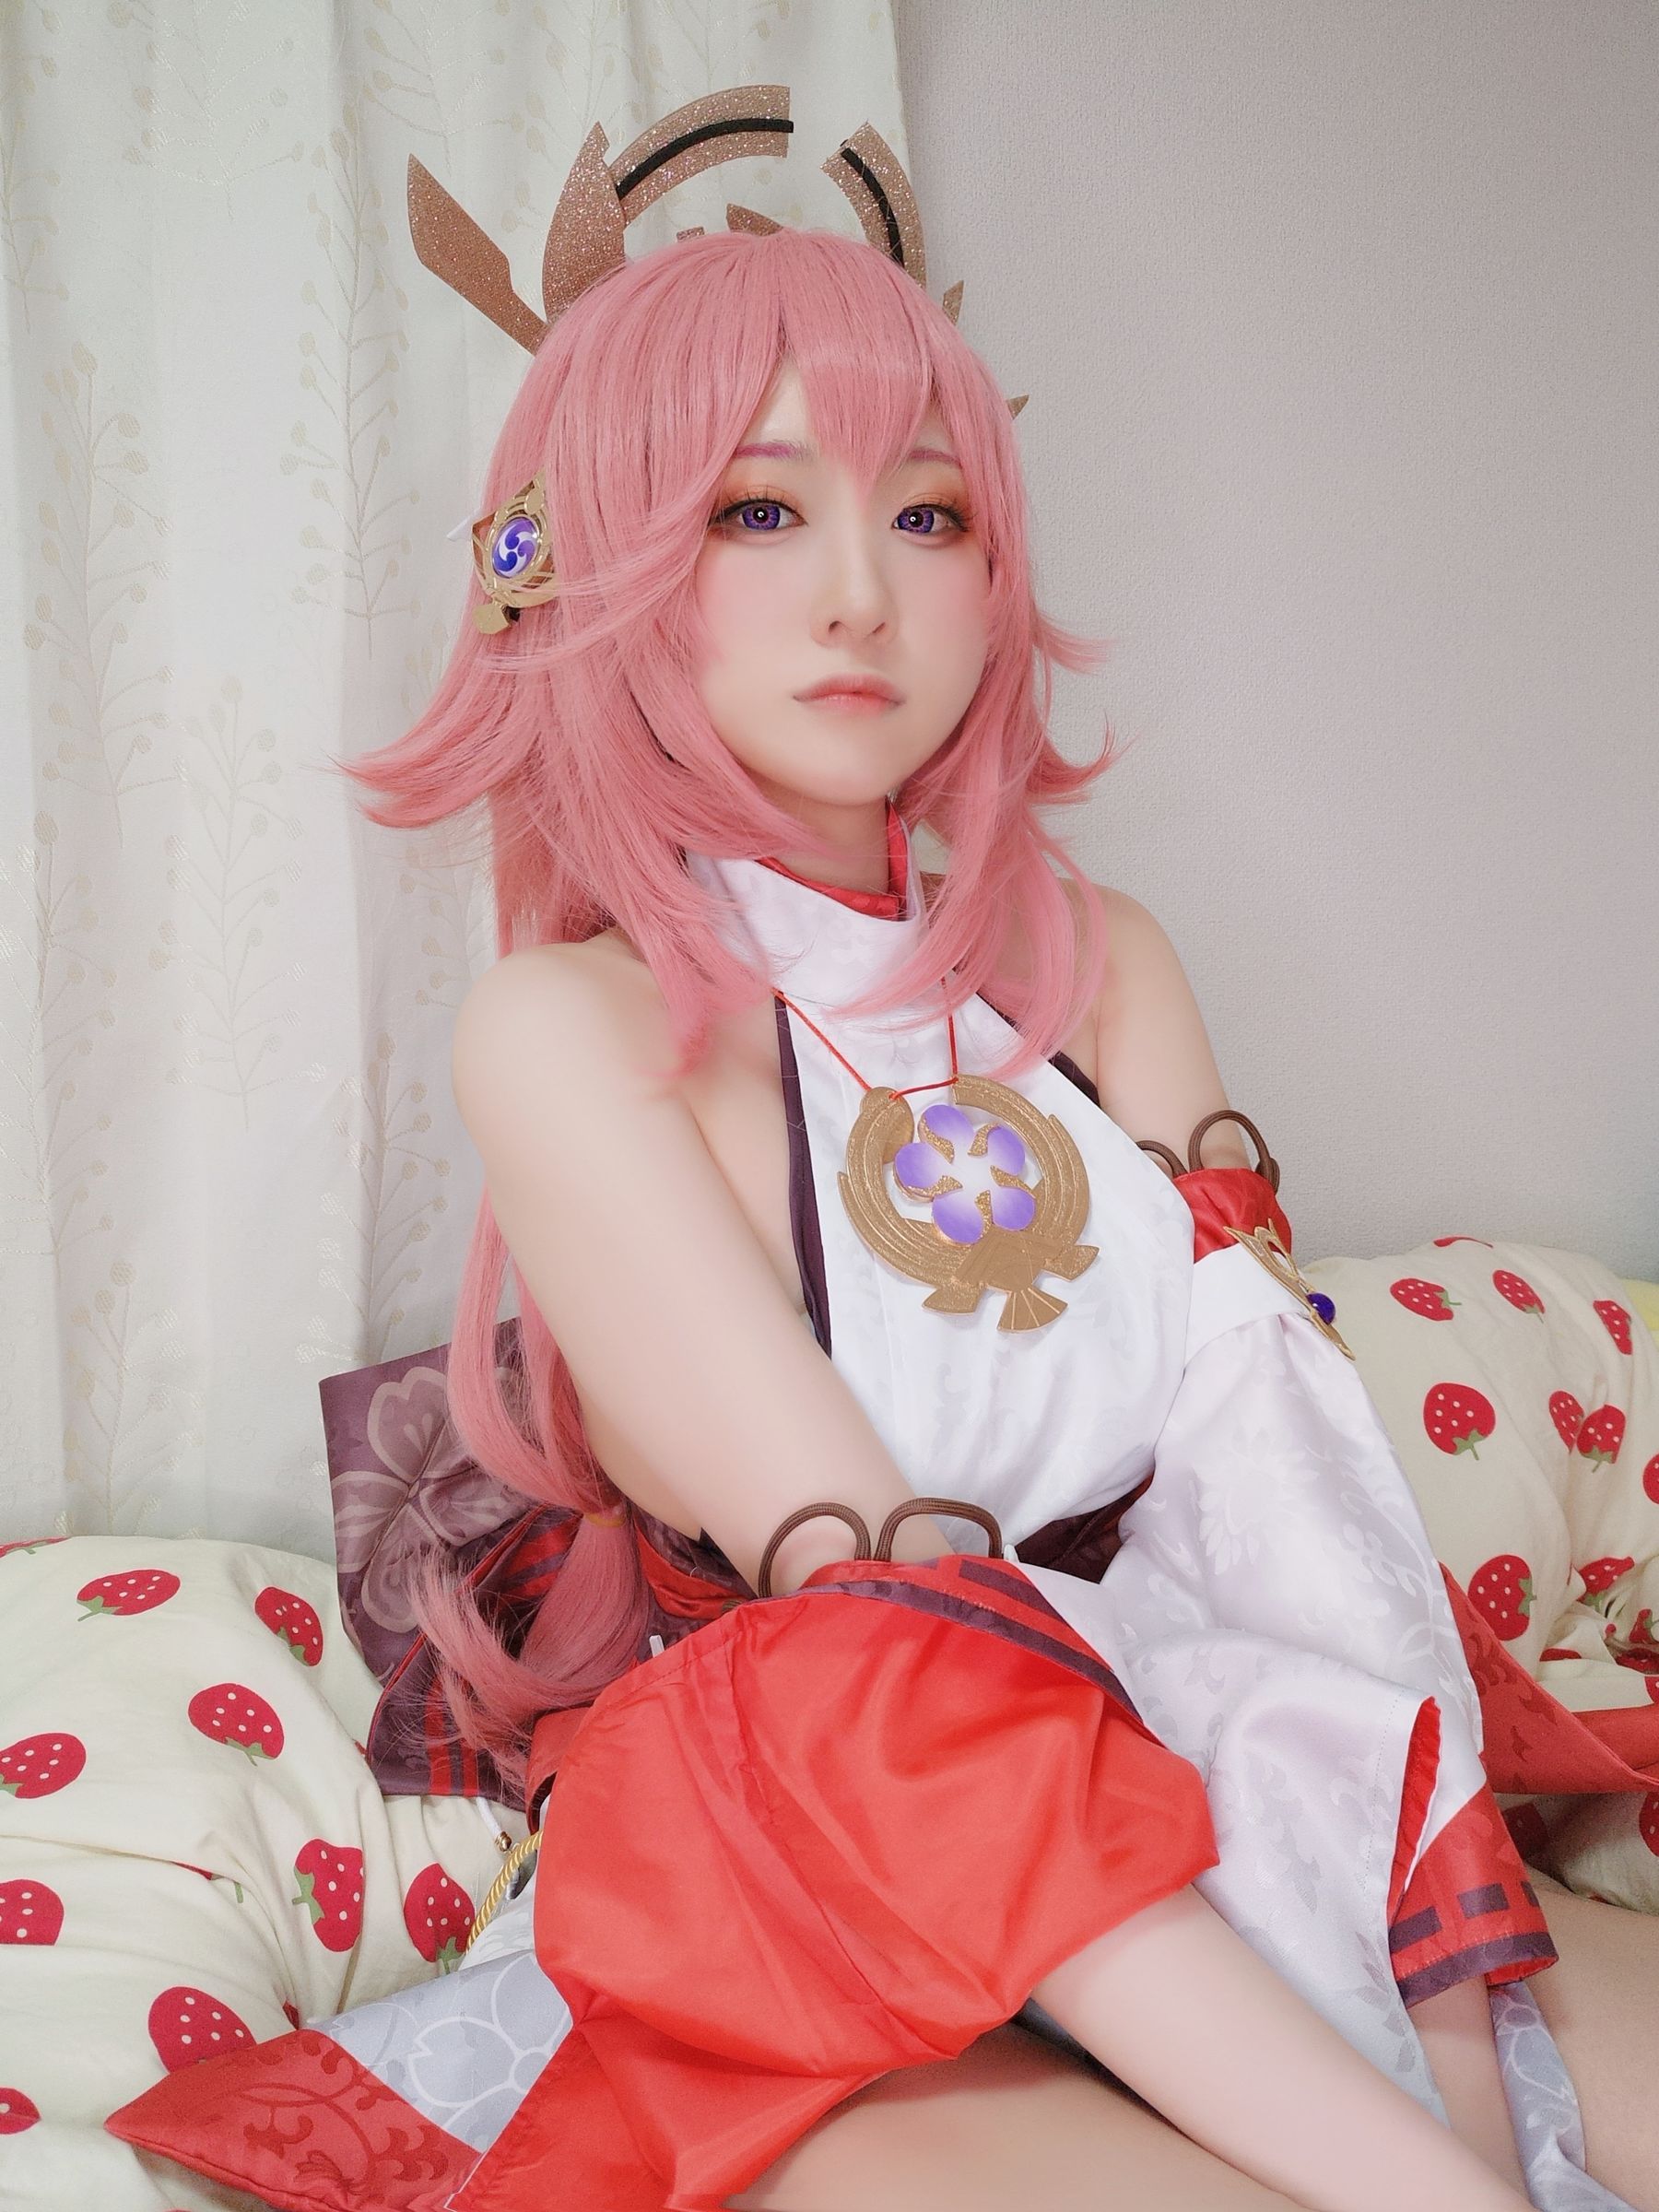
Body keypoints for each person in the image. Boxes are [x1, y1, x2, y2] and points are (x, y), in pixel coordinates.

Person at [342, 206, 1659, 2212]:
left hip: (1227, 1759)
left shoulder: (1102, 961)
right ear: (590, 565)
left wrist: (1446, 2036)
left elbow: (1293, 1506)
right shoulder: (563, 1031)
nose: (861, 596)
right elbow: (882, 1649)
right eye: (758, 513)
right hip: (825, 1870)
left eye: (929, 515)